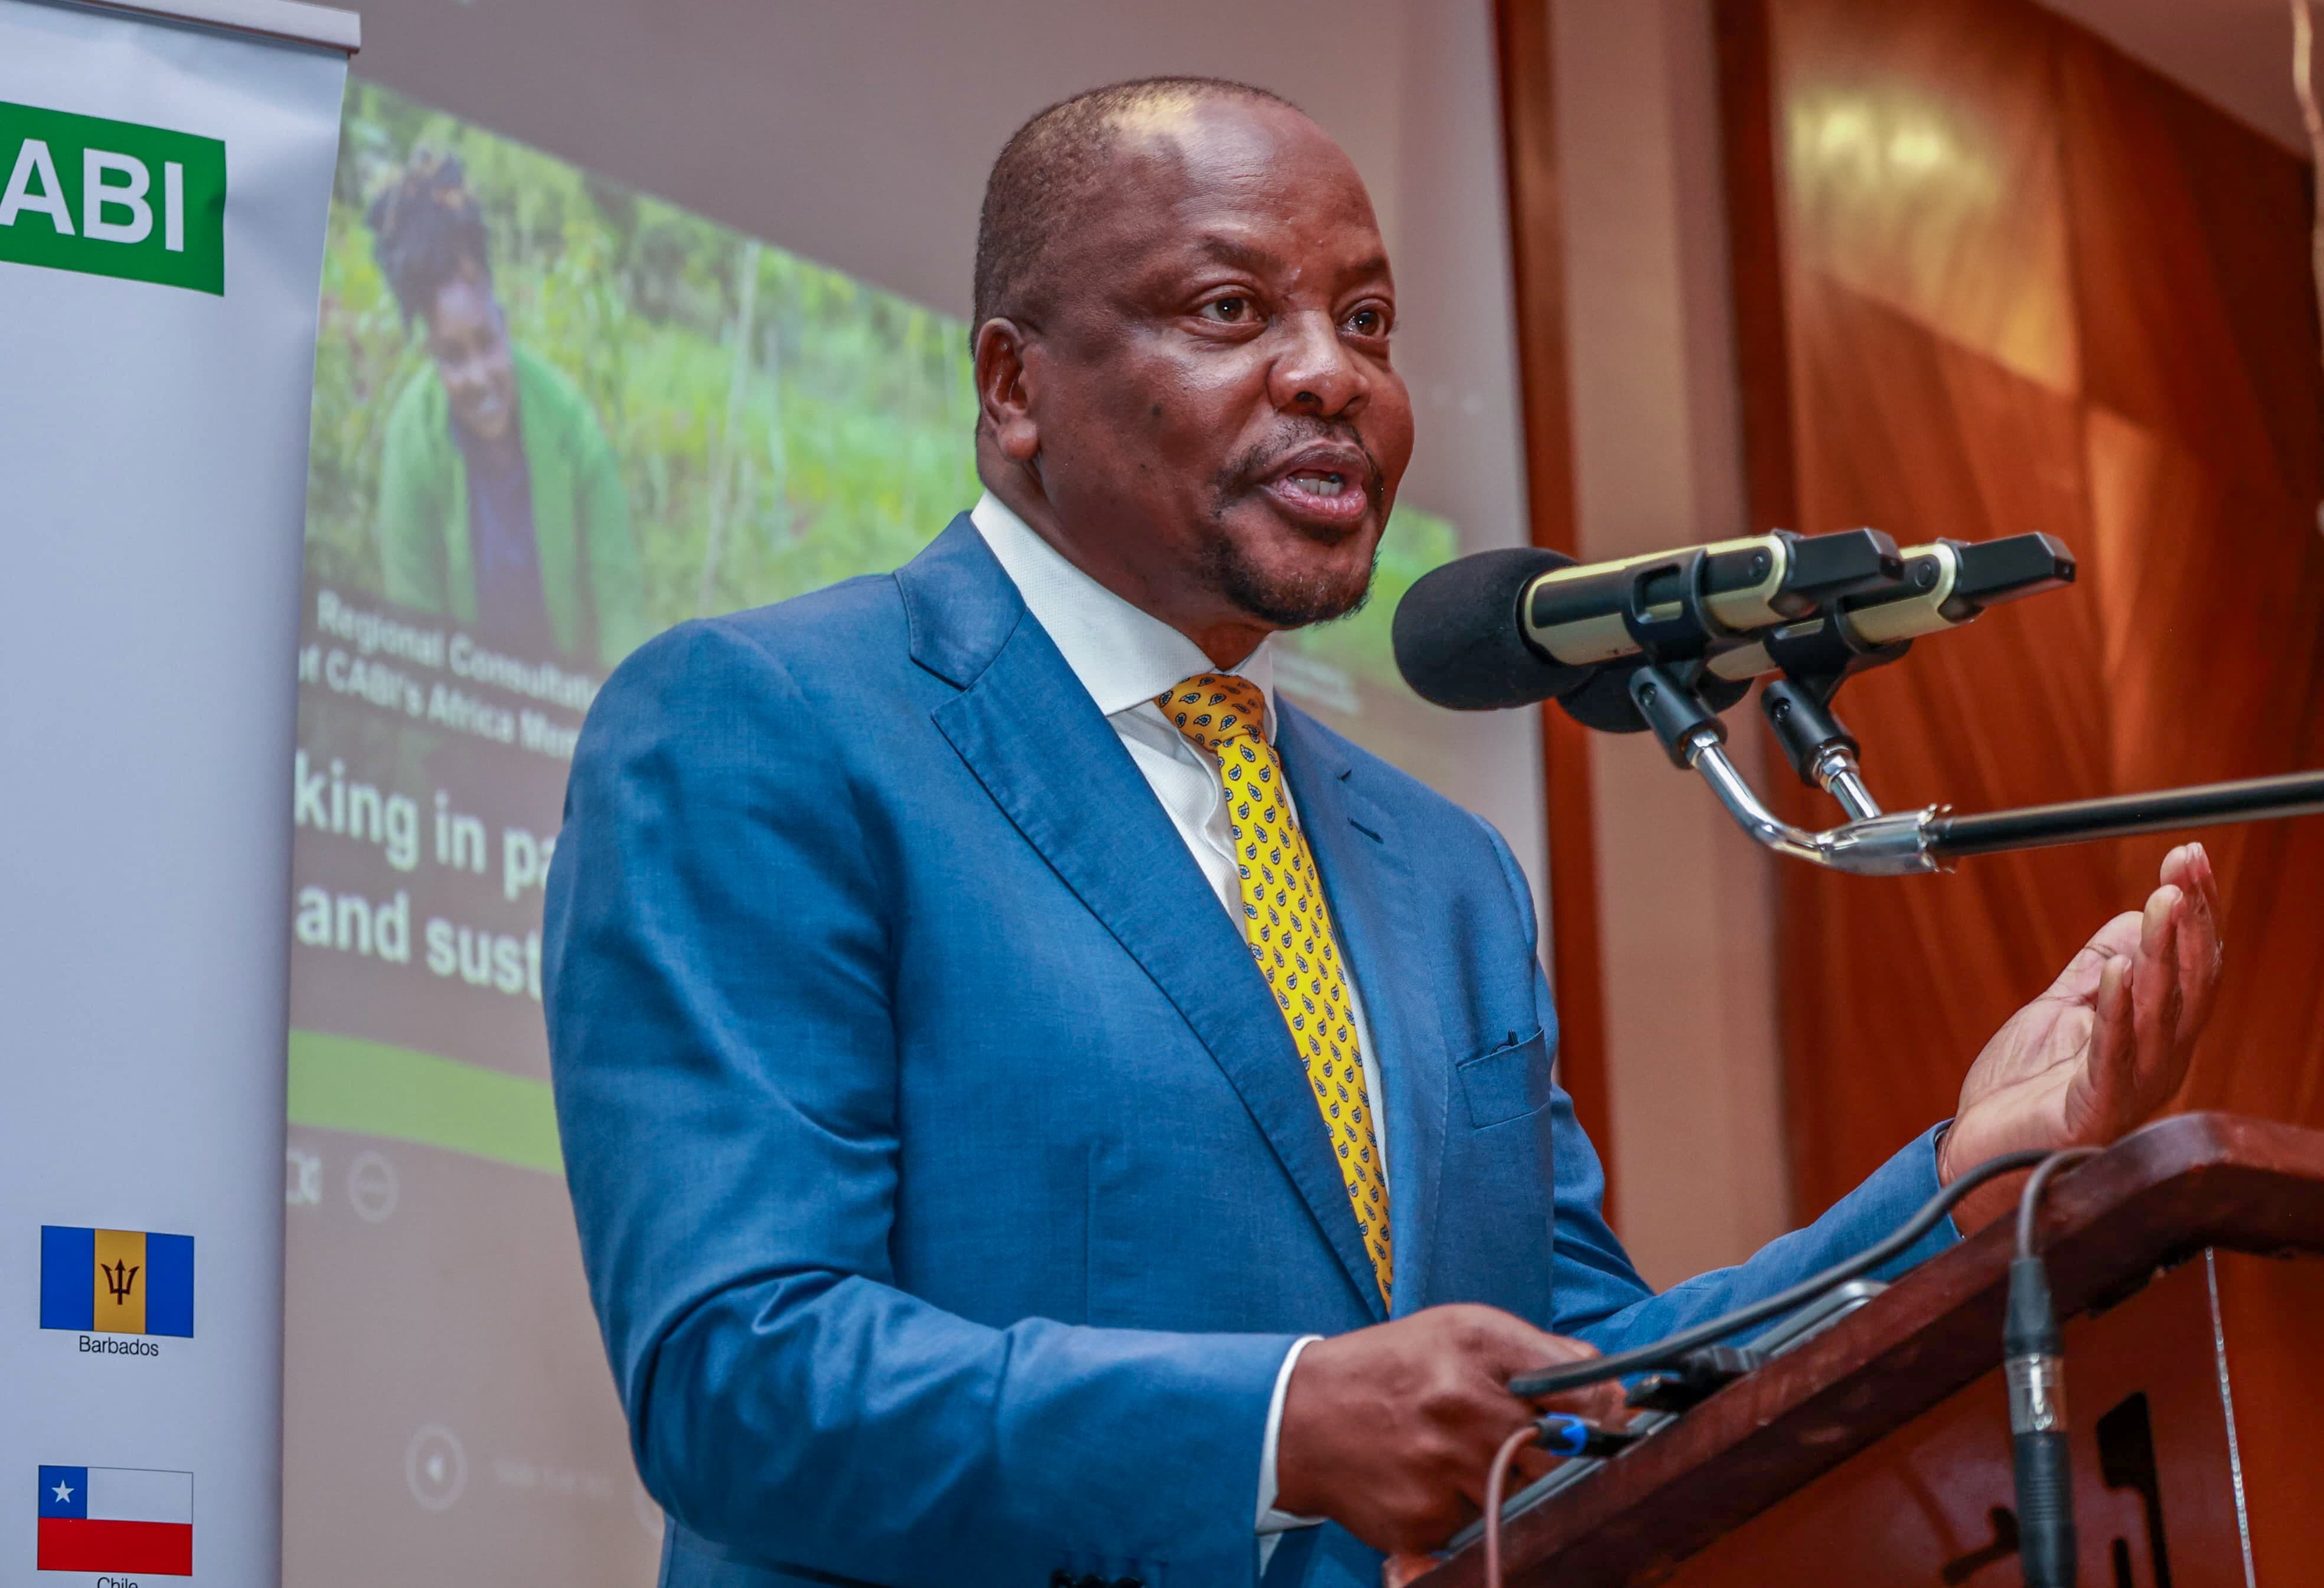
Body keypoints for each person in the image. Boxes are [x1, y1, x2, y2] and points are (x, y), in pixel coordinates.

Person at [540, 79, 2222, 1588]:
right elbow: (738, 1374)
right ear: (1013, 386)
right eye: (1228, 306)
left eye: (1369, 318)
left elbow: (1577, 1377)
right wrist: (1276, 1426)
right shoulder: (768, 722)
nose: (1333, 373)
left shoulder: (1447, 872)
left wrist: (1947, 1187)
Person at [367, 150, 648, 669]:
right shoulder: (413, 443)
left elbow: (619, 605)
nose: (478, 377)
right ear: (428, 352)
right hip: (462, 710)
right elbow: (415, 635)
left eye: (486, 343)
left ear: (505, 317)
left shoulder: (571, 424)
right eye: (452, 357)